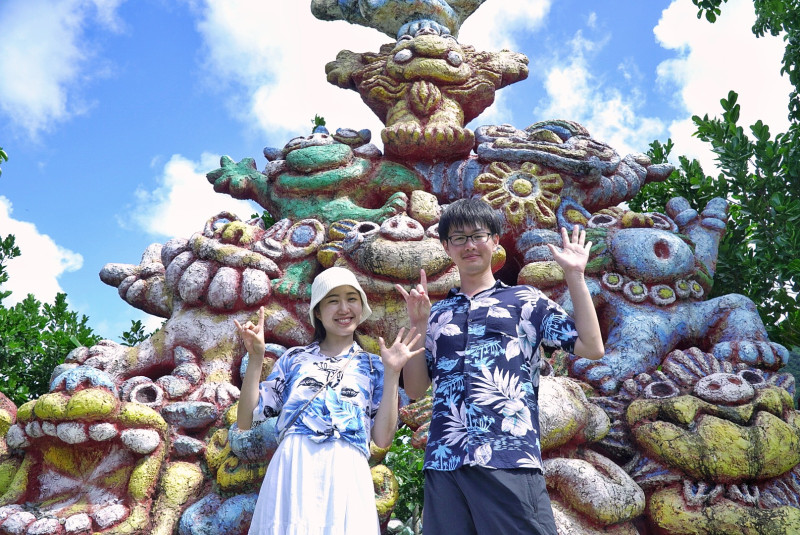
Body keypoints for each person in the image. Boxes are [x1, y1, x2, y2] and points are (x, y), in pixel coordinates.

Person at [396, 198, 605, 535]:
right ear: (447, 247)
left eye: (478, 235)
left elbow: (591, 347)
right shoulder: (436, 314)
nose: (469, 246)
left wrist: (575, 275)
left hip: (509, 455)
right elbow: (418, 388)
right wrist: (419, 326)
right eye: (458, 238)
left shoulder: (526, 301)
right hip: (445, 460)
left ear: (494, 240)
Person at [236, 266, 423, 535]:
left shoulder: (374, 366)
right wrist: (256, 359)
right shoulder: (294, 359)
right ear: (318, 312)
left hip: (347, 468)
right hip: (294, 465)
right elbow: (245, 420)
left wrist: (393, 373)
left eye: (351, 298)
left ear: (362, 306)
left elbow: (382, 439)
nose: (344, 308)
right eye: (333, 300)